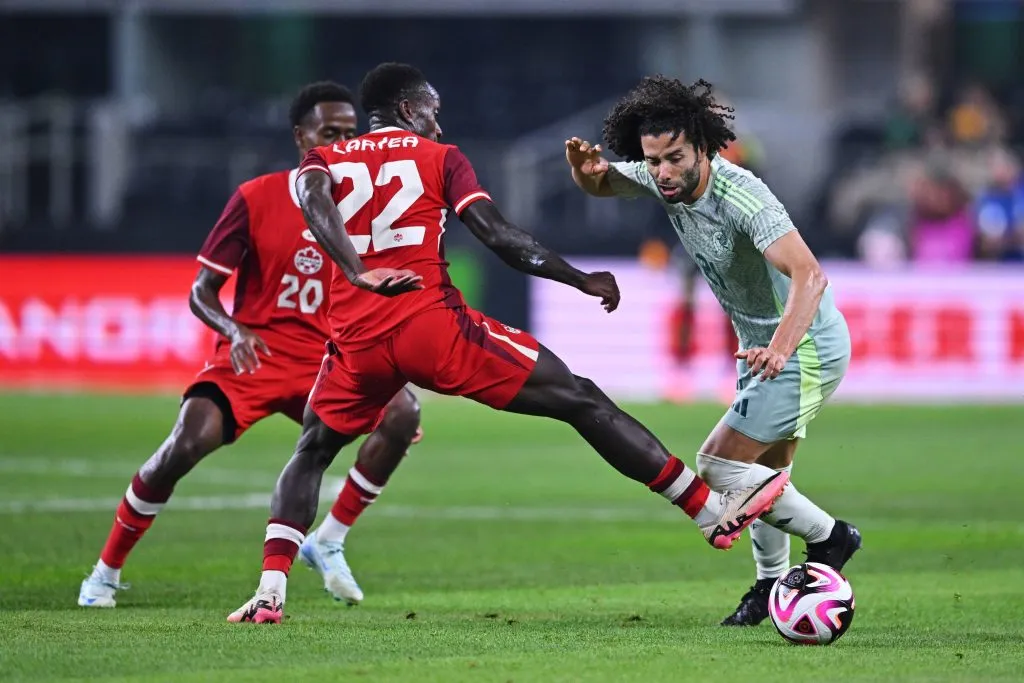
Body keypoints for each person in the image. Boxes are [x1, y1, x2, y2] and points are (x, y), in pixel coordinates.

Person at [227, 63, 790, 625]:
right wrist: (579, 278)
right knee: (581, 399)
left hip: (355, 341)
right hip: (432, 328)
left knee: (312, 452)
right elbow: (498, 236)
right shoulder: (440, 159)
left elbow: (310, 195)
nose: (438, 125)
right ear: (407, 110)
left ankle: (271, 591)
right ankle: (708, 513)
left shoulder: (322, 160)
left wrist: (354, 270)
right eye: (432, 112)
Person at [78, 82, 422, 609]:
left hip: (328, 360)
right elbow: (201, 292)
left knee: (403, 414)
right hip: (257, 353)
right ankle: (105, 571)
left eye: (351, 135)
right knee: (184, 446)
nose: (341, 144)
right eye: (330, 134)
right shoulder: (257, 197)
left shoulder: (369, 208)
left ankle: (329, 540)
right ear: (300, 136)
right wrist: (233, 330)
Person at [564, 76, 861, 627]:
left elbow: (809, 274)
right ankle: (769, 588)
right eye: (653, 161)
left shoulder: (742, 194)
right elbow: (604, 186)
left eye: (675, 158)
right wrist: (585, 172)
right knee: (766, 476)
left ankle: (832, 538)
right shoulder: (664, 178)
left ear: (703, 146)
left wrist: (780, 346)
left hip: (805, 345)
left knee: (718, 464)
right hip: (762, 350)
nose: (663, 173)